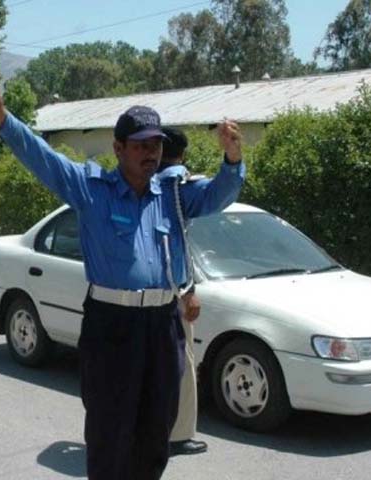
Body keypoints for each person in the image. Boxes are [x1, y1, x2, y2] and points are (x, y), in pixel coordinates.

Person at [0, 63, 245, 480]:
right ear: (119, 148)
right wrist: (1, 118)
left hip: (162, 325)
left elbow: (219, 195)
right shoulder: (92, 190)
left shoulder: (173, 195)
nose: (151, 153)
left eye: (155, 145)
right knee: (109, 432)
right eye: (141, 145)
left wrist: (232, 159)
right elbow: (44, 159)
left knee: (155, 430)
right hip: (112, 325)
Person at [157, 127, 207, 457]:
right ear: (183, 155)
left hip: (138, 293)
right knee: (182, 366)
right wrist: (191, 288)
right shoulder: (178, 185)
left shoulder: (142, 185)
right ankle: (178, 435)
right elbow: (182, 246)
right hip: (173, 290)